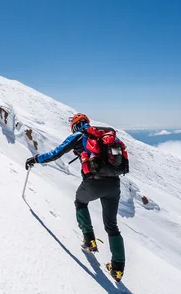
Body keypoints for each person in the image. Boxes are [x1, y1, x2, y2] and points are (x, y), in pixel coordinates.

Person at [24, 113, 127, 281]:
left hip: (94, 182)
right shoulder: (103, 135)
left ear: (75, 125)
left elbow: (55, 153)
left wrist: (36, 158)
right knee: (112, 226)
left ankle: (89, 240)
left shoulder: (79, 136)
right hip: (114, 185)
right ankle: (117, 269)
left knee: (80, 202)